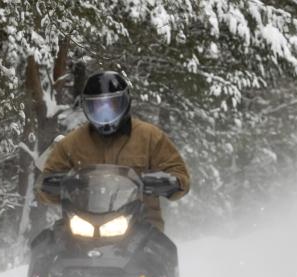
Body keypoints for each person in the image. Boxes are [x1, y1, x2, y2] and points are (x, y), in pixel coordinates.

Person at [37, 71, 190, 232]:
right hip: (81, 227)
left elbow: (180, 174)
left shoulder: (150, 137)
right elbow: (44, 183)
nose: (105, 115)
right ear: (86, 108)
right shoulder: (71, 142)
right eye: (97, 108)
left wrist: (168, 183)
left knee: (162, 250)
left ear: (125, 103)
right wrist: (56, 185)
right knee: (45, 246)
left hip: (141, 226)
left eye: (111, 107)